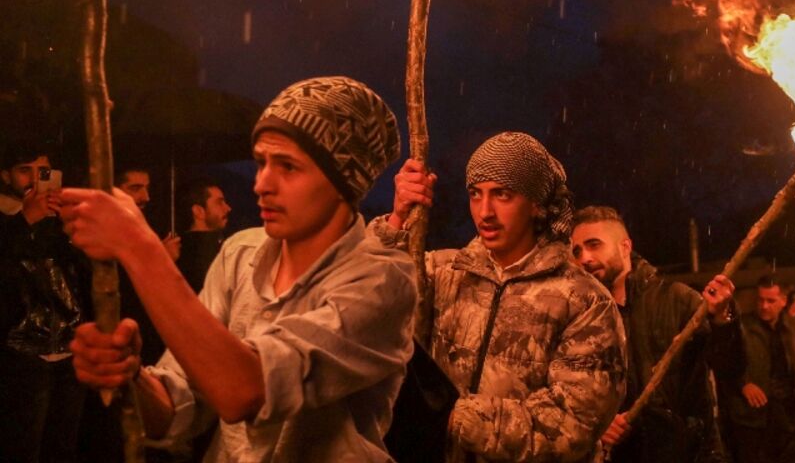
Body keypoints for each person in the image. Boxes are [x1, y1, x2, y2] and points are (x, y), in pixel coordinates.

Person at [65, 76, 416, 460]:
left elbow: (245, 391)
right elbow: (180, 401)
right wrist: (131, 378)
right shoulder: (240, 253)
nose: (261, 184)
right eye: (261, 162)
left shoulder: (381, 280)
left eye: (288, 166)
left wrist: (138, 245)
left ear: (341, 183)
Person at [376, 132, 626, 463]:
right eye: (475, 194)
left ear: (536, 205)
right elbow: (363, 298)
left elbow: (570, 427)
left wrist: (451, 415)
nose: (485, 212)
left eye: (502, 195)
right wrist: (397, 219)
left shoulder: (584, 302)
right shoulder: (444, 272)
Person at [569, 205, 741, 462]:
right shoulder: (582, 319)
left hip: (689, 455)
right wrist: (598, 426)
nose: (584, 258)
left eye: (594, 245)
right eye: (577, 251)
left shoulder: (677, 299)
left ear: (625, 247)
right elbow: (575, 394)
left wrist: (722, 320)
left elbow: (732, 368)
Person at [0, 141, 89, 463]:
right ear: (6, 175)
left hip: (68, 349)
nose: (34, 180)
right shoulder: (7, 221)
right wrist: (25, 221)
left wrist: (67, 226)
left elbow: (87, 274)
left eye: (43, 172)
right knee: (22, 447)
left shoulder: (59, 222)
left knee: (62, 447)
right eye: (25, 171)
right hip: (20, 354)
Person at [720, 275, 795, 463]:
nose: (764, 306)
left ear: (783, 301)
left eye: (771, 300)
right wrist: (744, 384)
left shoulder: (794, 329)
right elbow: (724, 364)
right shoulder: (742, 327)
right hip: (755, 422)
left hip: (791, 420)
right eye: (761, 299)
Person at [176, 177, 231, 292]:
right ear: (198, 211)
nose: (228, 208)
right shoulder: (201, 251)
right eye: (219, 202)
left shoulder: (183, 246)